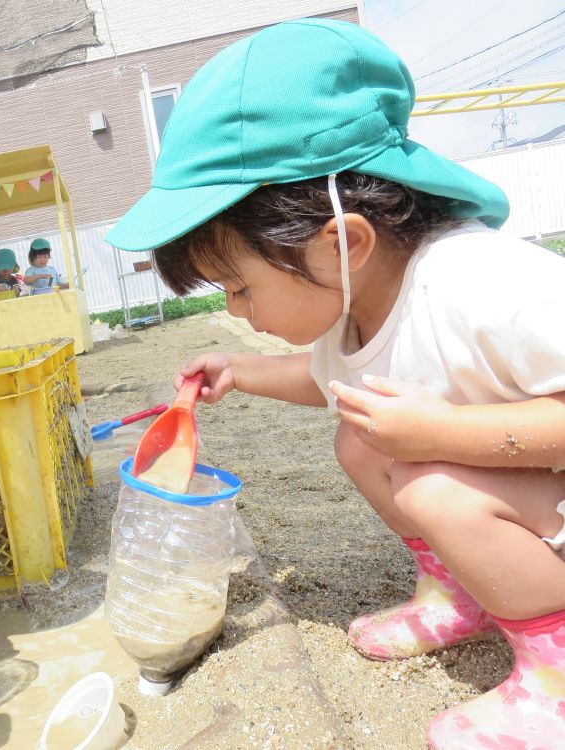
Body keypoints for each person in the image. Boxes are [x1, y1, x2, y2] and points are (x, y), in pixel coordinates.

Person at [106, 19, 565, 750]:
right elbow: (327, 380)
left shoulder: (484, 284)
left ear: (341, 242)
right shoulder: (355, 305)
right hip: (538, 506)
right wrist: (244, 371)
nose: (232, 309)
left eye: (237, 286)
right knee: (360, 436)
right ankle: (462, 593)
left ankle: (556, 677)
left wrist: (444, 438)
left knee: (430, 486)